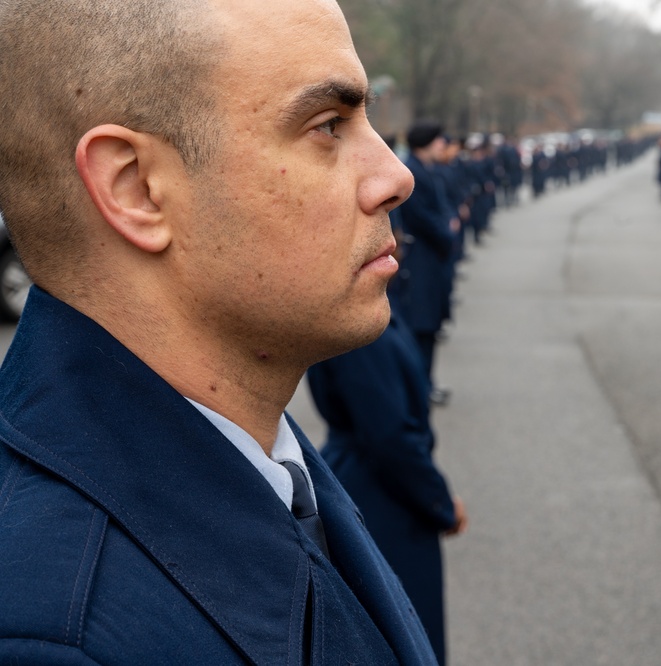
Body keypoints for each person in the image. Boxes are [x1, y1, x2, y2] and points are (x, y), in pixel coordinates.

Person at [0, 1, 440, 664]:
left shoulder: (253, 442)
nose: (395, 177)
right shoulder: (61, 637)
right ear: (138, 188)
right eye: (327, 125)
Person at [308, 232, 468, 665]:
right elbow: (390, 437)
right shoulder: (359, 326)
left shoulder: (363, 307)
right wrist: (438, 500)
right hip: (382, 494)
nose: (396, 243)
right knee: (403, 635)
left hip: (371, 478)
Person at [399, 120, 458, 408]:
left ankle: (425, 384)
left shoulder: (427, 170)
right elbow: (422, 217)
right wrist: (447, 232)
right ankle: (420, 388)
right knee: (421, 326)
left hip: (432, 256)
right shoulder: (413, 172)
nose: (442, 146)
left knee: (429, 325)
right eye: (437, 141)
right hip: (421, 258)